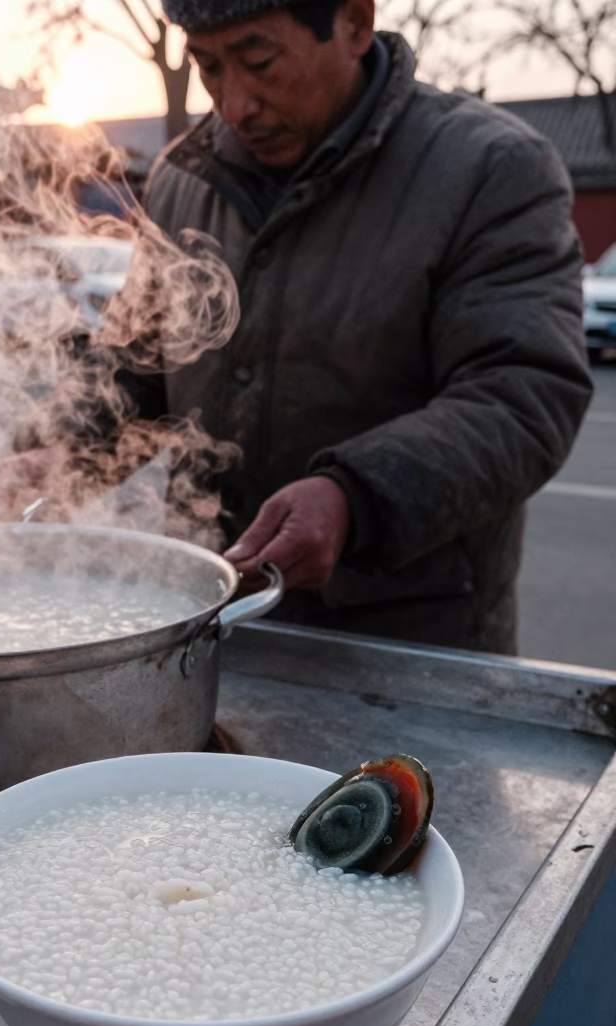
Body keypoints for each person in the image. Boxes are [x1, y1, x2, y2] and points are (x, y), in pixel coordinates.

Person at [122, 0, 592, 654]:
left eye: (260, 63)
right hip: (203, 628)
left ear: (354, 22)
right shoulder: (182, 177)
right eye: (208, 68)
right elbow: (136, 363)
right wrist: (63, 441)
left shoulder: (489, 169)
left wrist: (355, 495)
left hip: (407, 648)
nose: (234, 106)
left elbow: (523, 394)